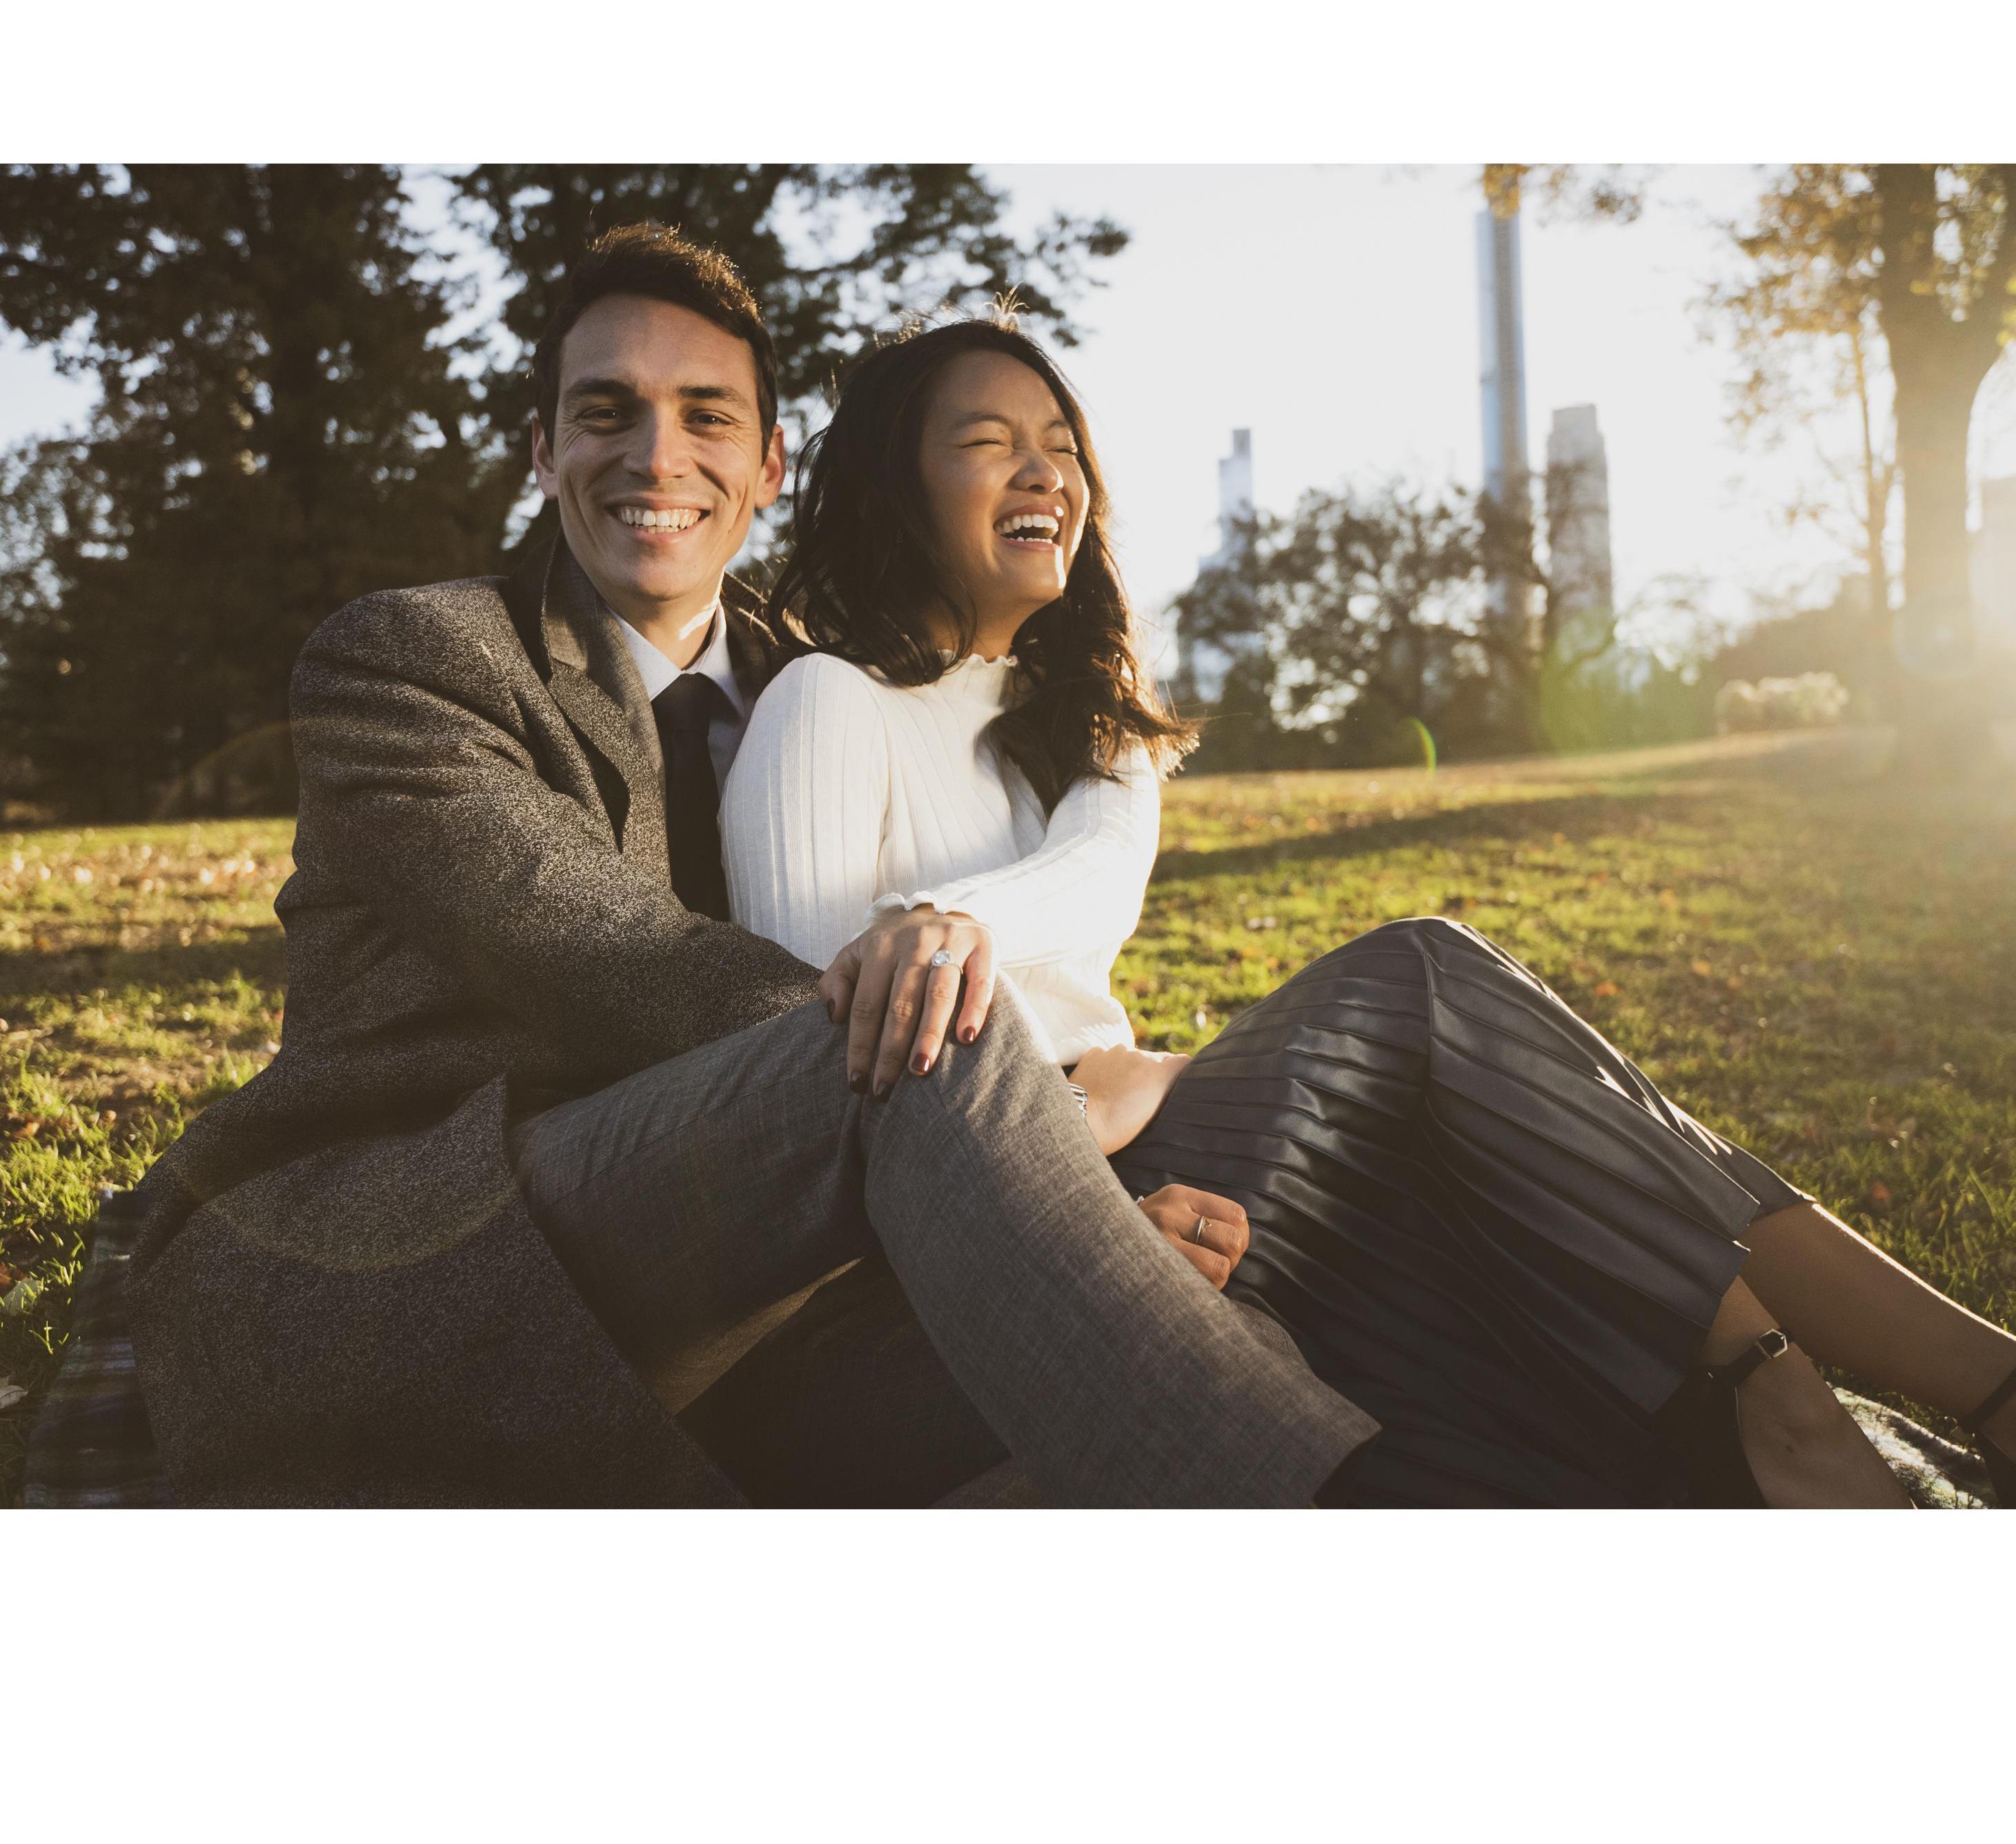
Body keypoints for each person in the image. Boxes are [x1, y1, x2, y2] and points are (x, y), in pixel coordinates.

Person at [121, 226, 1380, 1508]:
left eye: (706, 416)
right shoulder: (412, 661)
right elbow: (615, 955)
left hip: (753, 1332)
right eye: (605, 412)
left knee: (1191, 1337)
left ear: (770, 462)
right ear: (543, 449)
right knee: (916, 1029)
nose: (657, 455)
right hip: (413, 1270)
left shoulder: (825, 687)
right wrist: (1043, 1130)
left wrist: (1062, 1244)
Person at [720, 315, 2016, 1508]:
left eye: (1061, 446)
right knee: (1425, 980)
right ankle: (1843, 1405)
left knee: (1546, 1140)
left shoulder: (1088, 726)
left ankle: (1830, 1413)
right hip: (1021, 1207)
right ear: (896, 483)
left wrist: (1041, 995)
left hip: (1147, 1132)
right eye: (986, 442)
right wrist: (1066, 1159)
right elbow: (825, 1077)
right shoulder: (826, 704)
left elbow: (1096, 874)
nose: (1042, 472)